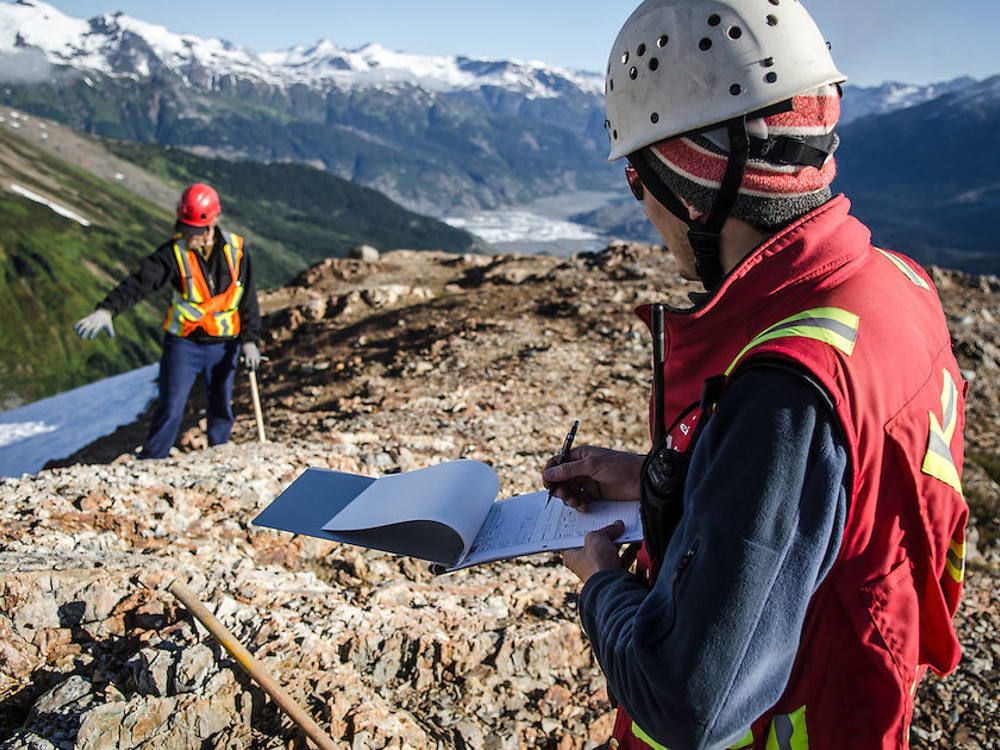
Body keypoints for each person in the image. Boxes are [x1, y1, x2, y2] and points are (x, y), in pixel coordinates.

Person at [542, 1, 969, 748]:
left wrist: (599, 577)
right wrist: (663, 477)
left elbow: (688, 702)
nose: (643, 209)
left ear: (690, 182)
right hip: (858, 692)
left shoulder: (785, 388)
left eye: (638, 178)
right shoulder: (894, 283)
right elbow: (837, 500)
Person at [74, 183, 262, 459]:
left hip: (225, 344)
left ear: (210, 226)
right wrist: (107, 309)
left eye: (193, 230)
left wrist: (250, 340)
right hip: (185, 344)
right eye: (184, 227)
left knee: (221, 403)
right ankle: (153, 458)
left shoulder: (238, 251)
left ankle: (219, 454)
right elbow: (139, 283)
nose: (187, 234)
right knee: (171, 404)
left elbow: (248, 300)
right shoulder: (173, 253)